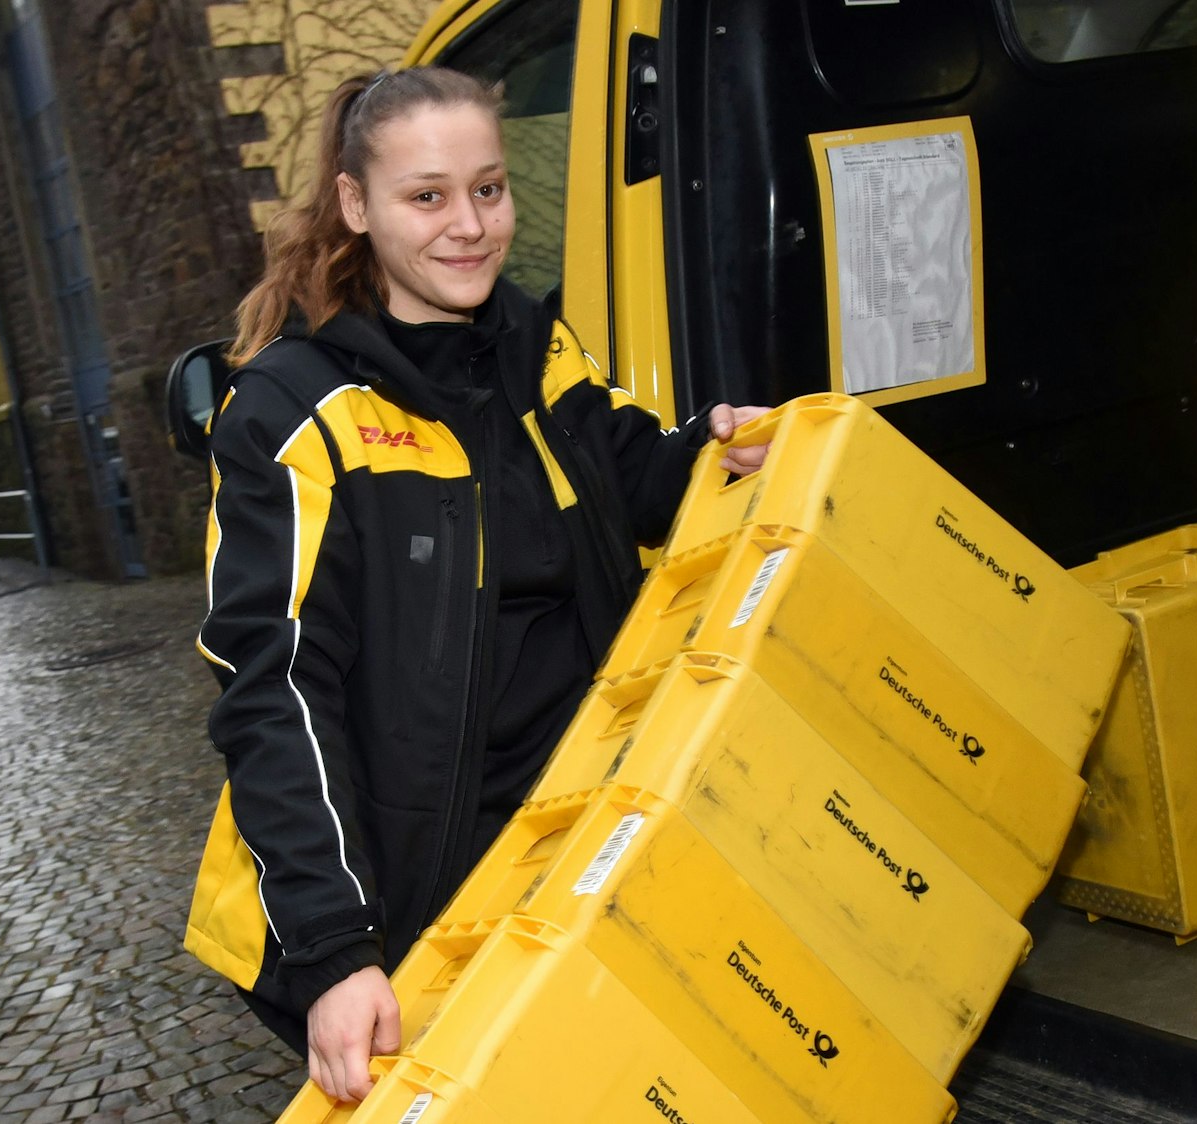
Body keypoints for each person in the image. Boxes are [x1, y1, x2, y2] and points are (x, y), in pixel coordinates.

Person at [184, 66, 768, 1103]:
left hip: (573, 832)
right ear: (358, 207)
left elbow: (632, 478)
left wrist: (710, 450)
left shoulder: (538, 353)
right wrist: (335, 950)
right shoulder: (293, 412)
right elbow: (275, 689)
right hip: (404, 888)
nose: (470, 225)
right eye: (428, 196)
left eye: (489, 190)